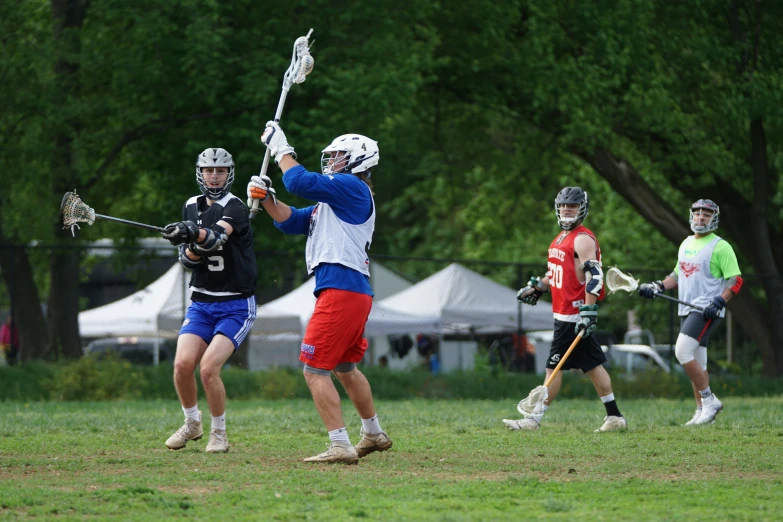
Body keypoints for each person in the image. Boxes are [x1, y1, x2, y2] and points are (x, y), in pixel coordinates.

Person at [247, 122, 392, 464]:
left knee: (314, 370)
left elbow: (298, 180)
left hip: (341, 288)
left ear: (358, 161)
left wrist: (282, 148)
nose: (333, 161)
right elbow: (289, 220)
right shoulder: (333, 202)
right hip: (351, 290)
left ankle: (340, 444)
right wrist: (267, 197)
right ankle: (373, 433)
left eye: (340, 156)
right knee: (345, 367)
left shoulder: (352, 187)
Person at [503, 186, 627, 432]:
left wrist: (588, 312)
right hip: (564, 314)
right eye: (563, 206)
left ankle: (533, 419)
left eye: (572, 206)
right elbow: (559, 270)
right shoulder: (561, 237)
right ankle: (615, 417)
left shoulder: (583, 239)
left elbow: (595, 277)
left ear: (582, 209)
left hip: (573, 315)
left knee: (553, 366)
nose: (567, 210)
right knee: (592, 366)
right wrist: (539, 287)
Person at [160, 147, 258, 453]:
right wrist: (186, 238)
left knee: (208, 369)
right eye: (209, 170)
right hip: (202, 301)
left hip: (235, 304)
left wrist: (194, 235)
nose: (214, 176)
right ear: (200, 173)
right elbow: (188, 260)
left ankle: (219, 433)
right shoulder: (190, 205)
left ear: (229, 174)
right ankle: (192, 423)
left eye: (220, 171)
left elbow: (217, 237)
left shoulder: (237, 206)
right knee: (181, 365)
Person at [637, 199, 741, 425]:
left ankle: (709, 400)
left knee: (682, 351)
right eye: (697, 213)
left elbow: (735, 280)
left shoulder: (720, 246)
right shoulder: (685, 243)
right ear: (691, 216)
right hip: (687, 307)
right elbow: (676, 275)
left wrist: (719, 302)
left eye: (707, 214)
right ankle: (702, 413)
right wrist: (658, 286)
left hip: (705, 310)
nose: (701, 217)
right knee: (698, 362)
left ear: (714, 218)